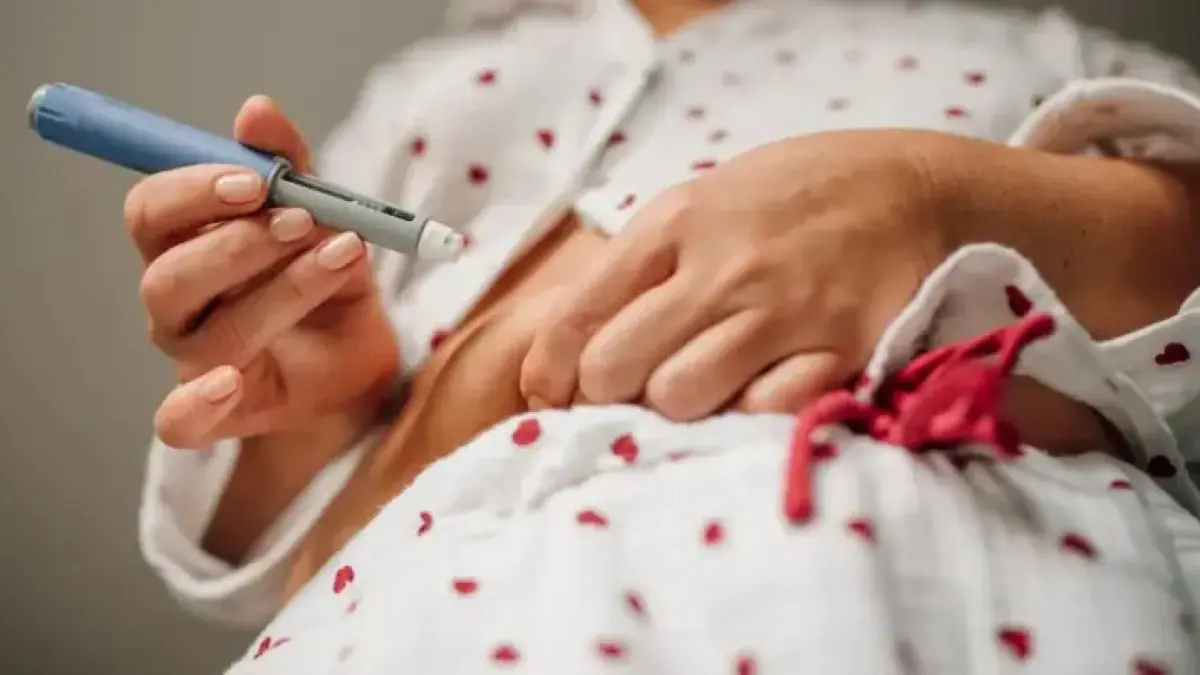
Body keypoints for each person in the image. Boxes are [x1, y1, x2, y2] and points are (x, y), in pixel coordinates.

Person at [128, 0, 1200, 670]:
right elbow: (284, 550)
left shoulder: (1043, 52)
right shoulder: (427, 97)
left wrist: (934, 198)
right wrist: (320, 414)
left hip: (923, 578)